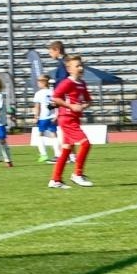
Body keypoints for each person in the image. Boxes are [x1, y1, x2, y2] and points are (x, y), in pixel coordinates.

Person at [49, 55, 94, 188]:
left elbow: (88, 101)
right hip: (67, 118)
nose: (81, 68)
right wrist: (71, 106)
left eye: (81, 65)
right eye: (77, 66)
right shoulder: (67, 82)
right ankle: (77, 174)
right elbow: (55, 97)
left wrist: (83, 106)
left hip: (74, 118)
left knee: (66, 150)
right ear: (69, 69)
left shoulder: (82, 83)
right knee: (86, 144)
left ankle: (55, 180)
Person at [30, 75, 60, 163]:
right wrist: (56, 115)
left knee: (40, 134)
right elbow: (57, 104)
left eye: (38, 82)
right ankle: (57, 154)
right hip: (52, 117)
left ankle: (43, 154)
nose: (38, 83)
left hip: (43, 117)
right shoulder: (53, 92)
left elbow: (37, 107)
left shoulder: (38, 93)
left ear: (43, 82)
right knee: (54, 134)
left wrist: (36, 117)